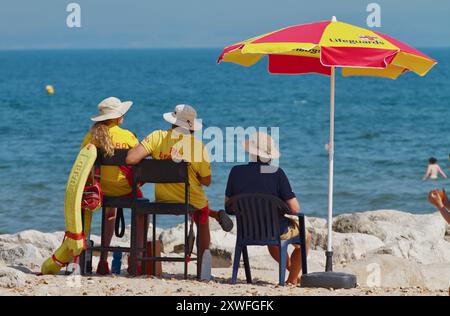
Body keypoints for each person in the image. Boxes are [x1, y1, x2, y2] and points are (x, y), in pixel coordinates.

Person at [126, 104, 233, 270]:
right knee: (202, 213)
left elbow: (131, 159)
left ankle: (139, 260)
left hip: (162, 199)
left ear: (173, 121)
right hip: (189, 201)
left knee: (198, 206)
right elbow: (207, 181)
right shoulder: (197, 146)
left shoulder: (156, 137)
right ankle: (202, 269)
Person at [224, 132, 311, 285]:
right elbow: (295, 209)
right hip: (274, 231)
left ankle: (292, 273)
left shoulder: (236, 172)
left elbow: (228, 207)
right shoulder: (276, 173)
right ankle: (292, 279)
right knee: (306, 236)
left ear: (251, 152)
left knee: (273, 241)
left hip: (248, 231)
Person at [81, 97, 145, 275]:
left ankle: (102, 261)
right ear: (118, 117)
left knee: (110, 213)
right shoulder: (128, 136)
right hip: (125, 190)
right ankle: (136, 260)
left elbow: (83, 162)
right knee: (141, 213)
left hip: (101, 191)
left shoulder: (92, 137)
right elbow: (139, 164)